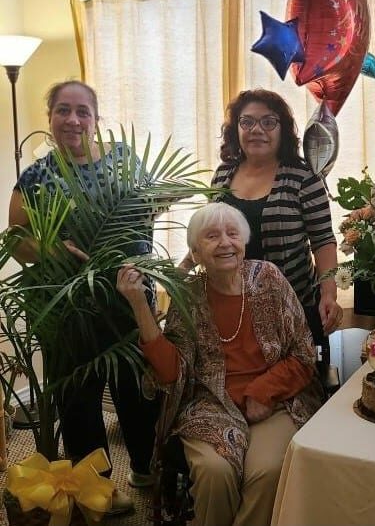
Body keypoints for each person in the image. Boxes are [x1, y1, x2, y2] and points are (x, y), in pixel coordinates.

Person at [117, 202, 324, 526]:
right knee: (215, 471)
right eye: (212, 236)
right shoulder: (187, 295)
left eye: (232, 234)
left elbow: (303, 354)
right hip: (208, 404)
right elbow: (173, 373)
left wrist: (263, 390)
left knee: (267, 471)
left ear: (243, 241)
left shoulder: (269, 279)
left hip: (277, 400)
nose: (225, 242)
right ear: (196, 253)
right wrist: (139, 304)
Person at [8, 80, 159, 514]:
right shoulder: (35, 176)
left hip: (127, 298)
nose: (73, 120)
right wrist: (51, 247)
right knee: (79, 400)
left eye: (82, 111)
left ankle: (147, 468)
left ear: (95, 119)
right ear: (50, 117)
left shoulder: (124, 160)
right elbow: (17, 239)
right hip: (68, 306)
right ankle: (99, 489)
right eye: (63, 111)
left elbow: (149, 209)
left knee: (135, 388)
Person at [181, 88, 343, 364]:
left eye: (268, 122)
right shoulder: (223, 174)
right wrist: (181, 272)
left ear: (282, 131)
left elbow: (323, 240)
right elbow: (208, 233)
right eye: (247, 122)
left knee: (289, 384)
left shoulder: (304, 176)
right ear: (236, 130)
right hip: (233, 307)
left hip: (291, 306)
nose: (257, 130)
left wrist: (329, 293)